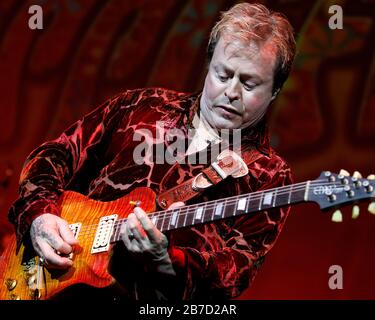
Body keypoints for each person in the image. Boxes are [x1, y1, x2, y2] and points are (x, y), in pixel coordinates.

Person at [8, 3, 296, 300]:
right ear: (209, 65)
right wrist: (39, 216)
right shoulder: (142, 106)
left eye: (249, 84)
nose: (231, 92)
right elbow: (55, 155)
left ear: (275, 90)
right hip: (49, 282)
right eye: (223, 75)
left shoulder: (269, 175)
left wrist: (167, 261)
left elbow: (234, 273)